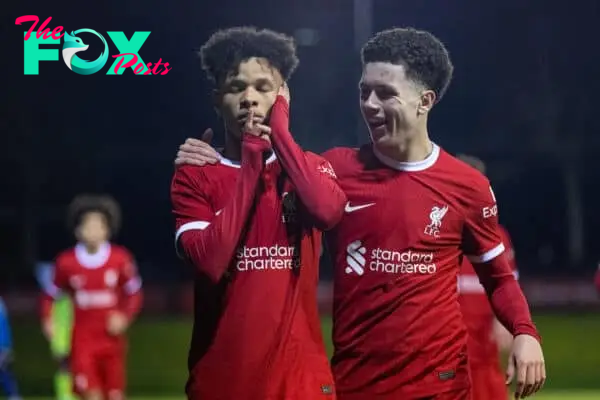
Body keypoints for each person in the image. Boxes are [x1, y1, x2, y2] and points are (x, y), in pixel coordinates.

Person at [174, 27, 546, 399]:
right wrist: (223, 161)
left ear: (425, 100)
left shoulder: (467, 186)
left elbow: (498, 276)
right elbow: (293, 190)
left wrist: (524, 331)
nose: (369, 104)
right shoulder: (338, 168)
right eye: (364, 91)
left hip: (441, 387)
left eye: (384, 93)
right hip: (355, 385)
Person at [170, 27, 346, 400]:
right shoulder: (195, 174)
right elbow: (211, 261)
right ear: (217, 99)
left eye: (264, 87)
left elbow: (327, 211)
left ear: (283, 97)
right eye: (236, 87)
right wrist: (251, 163)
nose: (250, 99)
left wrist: (279, 135)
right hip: (222, 385)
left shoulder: (310, 168)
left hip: (301, 384)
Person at [40, 195, 143, 400]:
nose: (93, 231)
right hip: (82, 341)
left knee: (114, 395)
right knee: (91, 395)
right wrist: (47, 319)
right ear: (78, 231)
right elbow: (49, 295)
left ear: (107, 229)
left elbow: (134, 294)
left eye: (99, 226)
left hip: (112, 341)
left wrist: (124, 317)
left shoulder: (120, 259)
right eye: (88, 226)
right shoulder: (66, 263)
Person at [456, 154, 518, 400]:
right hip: (444, 335)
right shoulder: (434, 230)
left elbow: (507, 284)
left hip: (482, 338)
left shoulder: (497, 236)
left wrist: (504, 322)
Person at [36, 262, 74, 400]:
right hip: (61, 335)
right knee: (64, 365)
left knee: (77, 364)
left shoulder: (73, 296)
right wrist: (48, 324)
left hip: (76, 333)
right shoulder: (52, 298)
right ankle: (64, 395)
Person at [0, 297, 21, 400]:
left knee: (4, 371)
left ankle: (14, 396)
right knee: (5, 372)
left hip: (2, 345)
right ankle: (14, 395)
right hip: (5, 345)